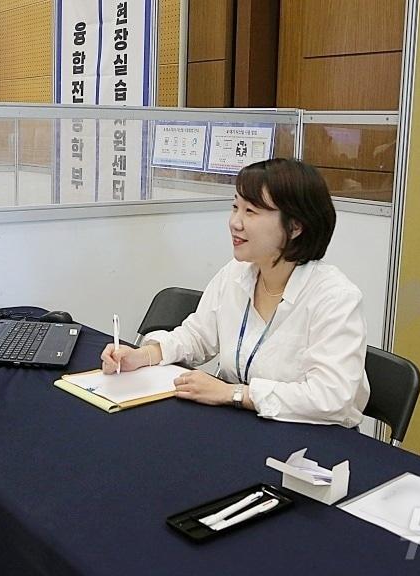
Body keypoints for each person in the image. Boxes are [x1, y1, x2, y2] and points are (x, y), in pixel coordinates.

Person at [101, 158, 369, 427]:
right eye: (235, 207)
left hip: (310, 439)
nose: (235, 223)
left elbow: (330, 397)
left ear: (295, 226)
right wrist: (142, 356)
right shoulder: (237, 274)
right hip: (244, 423)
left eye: (251, 211)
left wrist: (234, 393)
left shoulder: (335, 297)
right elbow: (198, 336)